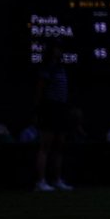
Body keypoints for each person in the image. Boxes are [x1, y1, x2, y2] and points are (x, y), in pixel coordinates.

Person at [33, 42, 74, 192]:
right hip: (50, 108)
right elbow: (40, 90)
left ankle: (56, 180)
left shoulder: (61, 68)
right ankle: (41, 181)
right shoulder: (47, 68)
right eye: (56, 48)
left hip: (61, 109)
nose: (59, 50)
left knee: (59, 146)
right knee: (45, 146)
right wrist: (39, 110)